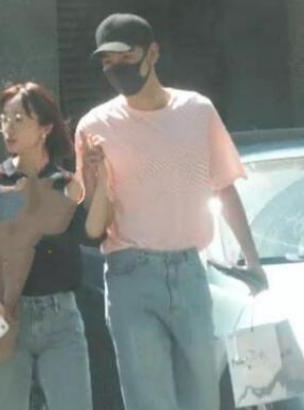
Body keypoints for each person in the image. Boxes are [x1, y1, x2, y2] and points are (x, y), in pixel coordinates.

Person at [75, 13, 268, 410]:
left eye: (126, 56)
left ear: (153, 53)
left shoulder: (197, 110)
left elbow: (224, 187)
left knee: (202, 398)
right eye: (108, 61)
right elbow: (95, 226)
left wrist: (253, 261)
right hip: (129, 272)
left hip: (191, 270)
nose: (116, 68)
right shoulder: (94, 126)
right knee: (150, 401)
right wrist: (97, 177)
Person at [0, 82, 93, 410]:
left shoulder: (66, 184)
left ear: (45, 128)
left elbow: (92, 235)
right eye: (3, 120)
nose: (8, 128)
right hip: (3, 315)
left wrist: (100, 181)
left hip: (61, 318)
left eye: (19, 119)